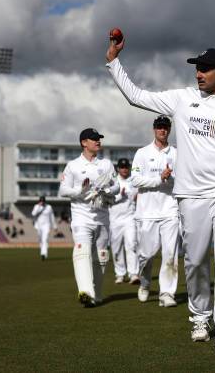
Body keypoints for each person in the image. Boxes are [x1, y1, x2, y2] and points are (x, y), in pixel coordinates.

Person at [106, 35, 215, 356]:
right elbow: (135, 96)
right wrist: (114, 61)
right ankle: (200, 316)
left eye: (206, 69)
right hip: (191, 195)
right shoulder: (181, 99)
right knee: (195, 261)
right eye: (197, 68)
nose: (198, 73)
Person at [59, 127, 120, 307]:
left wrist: (106, 190)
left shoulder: (106, 164)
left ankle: (97, 294)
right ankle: (85, 291)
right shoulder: (73, 166)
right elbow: (63, 190)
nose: (98, 141)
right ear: (84, 143)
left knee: (101, 256)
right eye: (94, 139)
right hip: (81, 217)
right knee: (82, 250)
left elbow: (116, 186)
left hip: (102, 216)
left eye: (99, 139)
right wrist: (80, 191)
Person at [130, 115, 179, 307]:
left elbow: (183, 180)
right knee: (146, 254)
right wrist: (159, 179)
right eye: (159, 127)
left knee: (170, 253)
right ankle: (144, 282)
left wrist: (170, 177)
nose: (162, 130)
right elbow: (135, 180)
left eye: (166, 127)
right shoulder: (142, 153)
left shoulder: (176, 153)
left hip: (170, 209)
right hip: (147, 212)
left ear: (169, 129)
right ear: (154, 129)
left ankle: (166, 293)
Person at [108, 158, 140, 285]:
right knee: (116, 248)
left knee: (131, 245)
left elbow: (138, 197)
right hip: (114, 219)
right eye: (122, 167)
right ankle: (120, 274)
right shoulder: (112, 182)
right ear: (118, 169)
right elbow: (108, 200)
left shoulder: (134, 181)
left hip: (130, 218)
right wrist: (120, 195)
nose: (124, 169)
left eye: (126, 167)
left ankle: (133, 274)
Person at [31, 195, 56, 261]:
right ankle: (44, 252)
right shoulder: (36, 206)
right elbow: (33, 214)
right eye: (41, 201)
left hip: (46, 225)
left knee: (45, 239)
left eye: (43, 201)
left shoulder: (49, 207)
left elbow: (52, 217)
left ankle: (43, 253)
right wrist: (39, 207)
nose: (42, 202)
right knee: (40, 240)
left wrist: (55, 226)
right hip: (39, 225)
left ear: (45, 201)